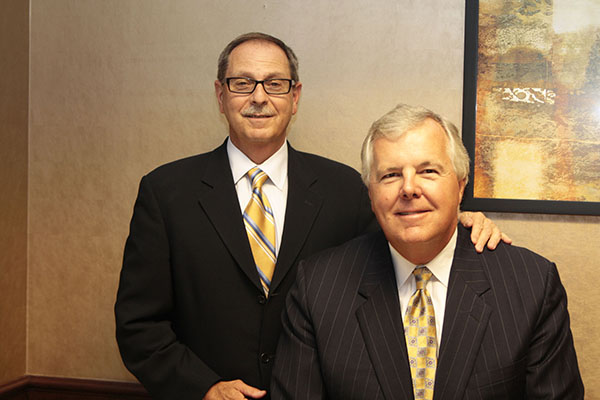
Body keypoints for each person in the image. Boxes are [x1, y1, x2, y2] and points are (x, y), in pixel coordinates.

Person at [115, 34, 508, 400]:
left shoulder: (347, 190)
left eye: (274, 83)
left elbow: (404, 252)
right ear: (220, 95)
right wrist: (204, 387)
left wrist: (458, 224)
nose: (259, 97)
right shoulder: (166, 193)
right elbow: (139, 326)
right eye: (242, 83)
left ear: (295, 96)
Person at [271, 103, 583, 399]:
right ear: (370, 193)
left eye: (428, 171)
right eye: (391, 175)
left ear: (461, 186)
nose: (409, 188)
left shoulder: (530, 285)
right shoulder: (318, 288)